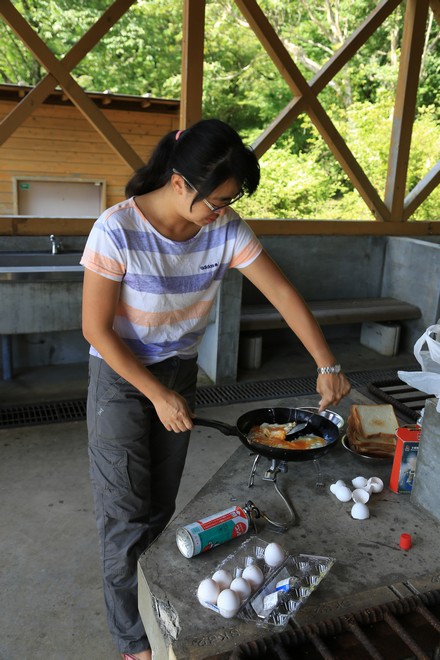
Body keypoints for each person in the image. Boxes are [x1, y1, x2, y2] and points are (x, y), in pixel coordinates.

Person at [81, 118, 351, 659]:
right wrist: (155, 394)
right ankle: (134, 642)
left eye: (231, 200)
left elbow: (281, 292)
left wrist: (326, 362)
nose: (223, 210)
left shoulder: (224, 229)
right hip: (122, 377)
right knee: (124, 512)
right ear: (180, 182)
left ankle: (155, 607)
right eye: (218, 200)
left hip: (178, 373)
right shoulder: (117, 228)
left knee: (160, 505)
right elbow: (96, 329)